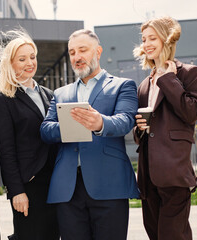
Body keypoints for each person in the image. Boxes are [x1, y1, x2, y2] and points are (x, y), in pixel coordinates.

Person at [40, 29, 139, 240]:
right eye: (72, 52)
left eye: (82, 50)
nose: (77, 57)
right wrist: (67, 126)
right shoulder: (60, 93)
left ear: (98, 51)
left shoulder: (123, 85)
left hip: (109, 185)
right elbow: (46, 129)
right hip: (68, 189)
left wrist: (100, 122)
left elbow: (126, 121)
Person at [133, 16, 197, 240]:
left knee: (173, 236)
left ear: (167, 39)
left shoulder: (189, 73)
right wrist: (140, 129)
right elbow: (140, 134)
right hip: (148, 176)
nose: (146, 44)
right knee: (155, 234)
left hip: (174, 173)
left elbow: (191, 112)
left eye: (152, 38)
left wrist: (169, 79)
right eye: (144, 39)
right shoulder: (145, 84)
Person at [0, 30, 59, 240]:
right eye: (22, 59)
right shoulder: (3, 99)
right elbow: (6, 150)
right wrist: (16, 191)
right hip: (29, 185)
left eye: (32, 56)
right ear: (10, 64)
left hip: (56, 182)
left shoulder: (50, 95)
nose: (30, 62)